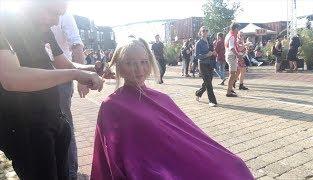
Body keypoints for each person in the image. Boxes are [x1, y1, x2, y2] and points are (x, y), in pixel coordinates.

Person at [90, 37, 254, 180]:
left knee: (234, 167)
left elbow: (191, 137)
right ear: (118, 66)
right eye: (130, 63)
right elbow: (109, 157)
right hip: (146, 170)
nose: (139, 69)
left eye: (144, 62)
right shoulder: (111, 106)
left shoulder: (162, 98)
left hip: (172, 162)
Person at [0, 1, 105, 179]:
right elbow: (11, 77)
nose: (56, 21)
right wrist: (74, 74)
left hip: (54, 120)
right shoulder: (5, 21)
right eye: (52, 13)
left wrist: (91, 69)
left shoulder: (44, 30)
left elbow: (63, 64)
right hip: (24, 128)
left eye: (60, 15)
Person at [51, 8, 87, 179]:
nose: (52, 19)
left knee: (64, 124)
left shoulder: (63, 13)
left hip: (61, 75)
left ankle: (70, 173)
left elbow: (76, 44)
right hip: (36, 75)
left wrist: (81, 78)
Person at [195, 26, 218, 107]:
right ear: (200, 32)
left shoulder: (209, 41)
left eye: (206, 30)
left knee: (207, 82)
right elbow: (197, 56)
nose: (205, 32)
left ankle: (198, 93)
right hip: (202, 64)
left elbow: (212, 51)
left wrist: (214, 52)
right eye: (203, 31)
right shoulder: (198, 43)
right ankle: (212, 101)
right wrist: (206, 55)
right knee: (208, 83)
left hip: (210, 63)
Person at [225, 23, 241, 97]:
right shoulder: (232, 36)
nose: (238, 30)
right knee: (232, 74)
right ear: (235, 29)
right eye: (238, 29)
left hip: (229, 55)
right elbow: (232, 48)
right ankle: (229, 92)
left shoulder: (228, 35)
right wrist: (238, 55)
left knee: (233, 73)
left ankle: (230, 88)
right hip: (231, 56)